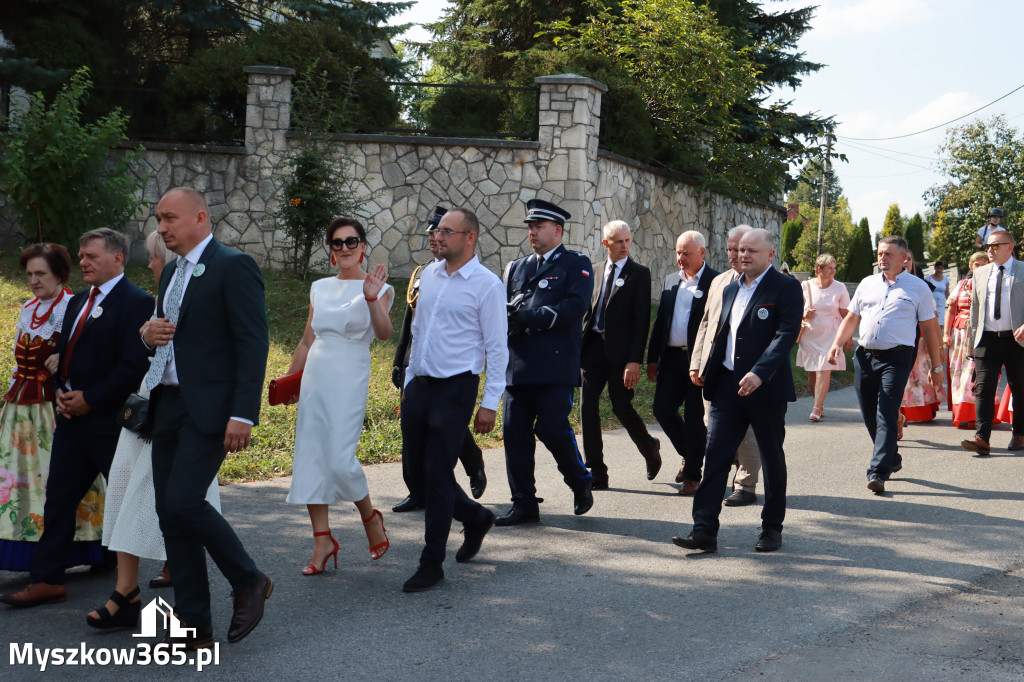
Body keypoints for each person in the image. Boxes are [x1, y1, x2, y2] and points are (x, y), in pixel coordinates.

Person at [142, 187, 271, 649]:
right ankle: (195, 621)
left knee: (182, 502)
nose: (161, 228)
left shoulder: (233, 265)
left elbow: (252, 344)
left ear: (200, 217)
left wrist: (243, 414)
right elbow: (170, 336)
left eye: (169, 219)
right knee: (169, 514)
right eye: (159, 219)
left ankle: (248, 580)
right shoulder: (171, 271)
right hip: (168, 403)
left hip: (211, 411)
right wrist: (147, 334)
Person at [0, 230, 153, 608]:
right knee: (58, 500)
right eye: (81, 255)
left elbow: (133, 365)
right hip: (70, 418)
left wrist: (91, 399)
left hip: (107, 420)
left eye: (91, 256)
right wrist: (61, 393)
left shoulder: (136, 302)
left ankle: (161, 575)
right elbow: (60, 355)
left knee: (128, 498)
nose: (82, 262)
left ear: (118, 258)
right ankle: (47, 579)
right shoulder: (79, 300)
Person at [85, 231, 222, 630]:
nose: (148, 264)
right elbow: (151, 352)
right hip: (149, 404)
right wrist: (147, 337)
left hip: (183, 411)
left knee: (171, 502)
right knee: (126, 488)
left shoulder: (198, 289)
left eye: (153, 256)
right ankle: (126, 591)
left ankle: (192, 597)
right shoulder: (162, 295)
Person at [673, 228, 802, 553]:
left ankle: (771, 528)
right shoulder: (730, 289)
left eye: (752, 251)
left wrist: (760, 372)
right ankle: (704, 530)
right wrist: (705, 369)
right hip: (727, 388)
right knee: (715, 457)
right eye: (740, 250)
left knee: (771, 459)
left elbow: (785, 334)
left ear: (770, 255)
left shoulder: (786, 287)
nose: (743, 255)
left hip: (766, 390)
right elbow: (719, 334)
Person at [400, 207, 508, 592]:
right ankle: (475, 517)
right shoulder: (428, 275)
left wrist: (490, 401)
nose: (438, 237)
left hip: (456, 387)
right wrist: (410, 381)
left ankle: (432, 563)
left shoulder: (486, 284)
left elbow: (497, 348)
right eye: (438, 231)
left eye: (447, 231)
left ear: (469, 238)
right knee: (416, 474)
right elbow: (418, 331)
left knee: (436, 471)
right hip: (421, 385)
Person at [285, 217, 393, 576]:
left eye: (351, 241)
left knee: (339, 459)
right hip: (316, 374)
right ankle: (322, 540)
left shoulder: (378, 288)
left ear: (363, 246)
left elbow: (383, 333)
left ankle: (369, 516)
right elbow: (306, 340)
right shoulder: (319, 287)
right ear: (330, 251)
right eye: (337, 243)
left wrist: (371, 297)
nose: (344, 248)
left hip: (350, 373)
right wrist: (289, 380)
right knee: (311, 455)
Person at [0, 244, 110, 572]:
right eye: (30, 274)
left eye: (41, 273)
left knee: (60, 480)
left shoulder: (74, 307)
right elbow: (20, 363)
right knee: (20, 481)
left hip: (57, 407)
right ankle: (24, 549)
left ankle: (87, 547)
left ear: (60, 275)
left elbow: (96, 354)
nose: (33, 280)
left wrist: (65, 358)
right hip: (21, 409)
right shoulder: (28, 308)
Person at [496, 199, 594, 526]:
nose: (532, 232)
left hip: (554, 366)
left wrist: (527, 317)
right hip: (518, 365)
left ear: (557, 229)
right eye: (530, 227)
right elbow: (505, 307)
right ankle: (523, 502)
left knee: (552, 429)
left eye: (538, 227)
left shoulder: (575, 263)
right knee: (514, 434)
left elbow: (573, 307)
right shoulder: (516, 267)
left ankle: (580, 480)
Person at [827, 236, 943, 494]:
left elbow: (929, 329)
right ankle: (892, 457)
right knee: (869, 412)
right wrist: (837, 343)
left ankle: (878, 470)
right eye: (880, 253)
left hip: (898, 357)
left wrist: (936, 367)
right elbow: (851, 318)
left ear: (904, 258)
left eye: (889, 254)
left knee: (887, 410)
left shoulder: (918, 288)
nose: (882, 258)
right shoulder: (867, 284)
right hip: (865, 356)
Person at [392, 207, 486, 510]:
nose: (435, 238)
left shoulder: (474, 280)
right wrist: (399, 362)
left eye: (441, 232)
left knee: (447, 432)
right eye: (432, 233)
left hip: (453, 373)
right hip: (416, 362)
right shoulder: (422, 274)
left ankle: (473, 466)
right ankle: (417, 492)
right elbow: (411, 322)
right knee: (413, 434)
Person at [580, 220, 658, 489]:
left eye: (627, 240)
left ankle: (649, 447)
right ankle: (596, 472)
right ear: (606, 244)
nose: (625, 246)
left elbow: (641, 320)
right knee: (586, 406)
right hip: (591, 349)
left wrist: (634, 360)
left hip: (622, 354)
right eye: (619, 242)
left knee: (621, 406)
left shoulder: (640, 273)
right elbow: (588, 311)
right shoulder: (594, 271)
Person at [689, 224, 761, 507]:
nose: (734, 254)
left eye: (739, 249)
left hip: (748, 372)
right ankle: (718, 477)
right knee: (714, 427)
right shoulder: (719, 282)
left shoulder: (764, 283)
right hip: (716, 370)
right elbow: (706, 324)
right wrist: (697, 362)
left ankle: (746, 484)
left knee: (748, 431)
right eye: (730, 248)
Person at [647, 230, 718, 495]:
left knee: (695, 417)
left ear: (701, 253)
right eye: (678, 252)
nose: (681, 258)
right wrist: (652, 359)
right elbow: (661, 323)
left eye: (686, 253)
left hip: (699, 361)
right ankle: (692, 456)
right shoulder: (670, 281)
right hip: (672, 358)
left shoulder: (715, 282)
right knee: (662, 409)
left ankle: (692, 477)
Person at [961, 231, 1024, 456]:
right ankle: (982, 438)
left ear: (1010, 246)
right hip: (986, 340)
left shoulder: (1023, 270)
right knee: (984, 388)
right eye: (988, 245)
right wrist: (972, 342)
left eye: (995, 246)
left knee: (1020, 388)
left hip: (1017, 341)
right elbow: (975, 309)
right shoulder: (980, 273)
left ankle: (1019, 433)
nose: (989, 249)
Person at [796, 253, 851, 422]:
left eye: (835, 268)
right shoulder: (805, 286)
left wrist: (847, 337)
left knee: (823, 368)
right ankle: (818, 402)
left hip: (831, 334)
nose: (834, 271)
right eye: (830, 268)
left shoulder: (840, 288)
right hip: (810, 334)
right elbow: (794, 309)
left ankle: (817, 407)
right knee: (813, 372)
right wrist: (803, 313)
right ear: (819, 269)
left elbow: (847, 314)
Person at [898, 252, 947, 430]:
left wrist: (940, 346)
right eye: (902, 258)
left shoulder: (923, 287)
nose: (905, 262)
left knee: (918, 375)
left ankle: (920, 410)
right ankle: (897, 414)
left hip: (919, 340)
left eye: (909, 259)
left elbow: (932, 320)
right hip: (895, 341)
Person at [945, 252, 990, 428]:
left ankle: (978, 415)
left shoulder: (992, 284)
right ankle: (963, 412)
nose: (980, 267)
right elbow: (950, 309)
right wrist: (946, 334)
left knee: (977, 372)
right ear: (971, 267)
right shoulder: (962, 284)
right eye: (976, 264)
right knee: (959, 371)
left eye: (983, 264)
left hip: (983, 333)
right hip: (961, 334)